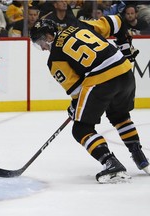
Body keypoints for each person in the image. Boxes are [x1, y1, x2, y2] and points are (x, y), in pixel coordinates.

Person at [29, 15, 149, 183]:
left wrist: (74, 107)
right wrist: (125, 47)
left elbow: (77, 90)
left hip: (102, 80)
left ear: (49, 36)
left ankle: (110, 162)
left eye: (40, 42)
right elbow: (117, 21)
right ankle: (139, 156)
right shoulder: (80, 24)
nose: (42, 48)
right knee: (119, 115)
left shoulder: (54, 58)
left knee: (81, 129)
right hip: (125, 71)